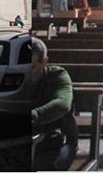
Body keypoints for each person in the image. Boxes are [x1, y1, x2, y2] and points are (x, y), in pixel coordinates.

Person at [31, 37, 77, 171]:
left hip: (58, 140)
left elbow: (63, 104)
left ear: (44, 62)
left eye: (32, 68)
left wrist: (34, 115)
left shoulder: (58, 75)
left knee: (42, 164)